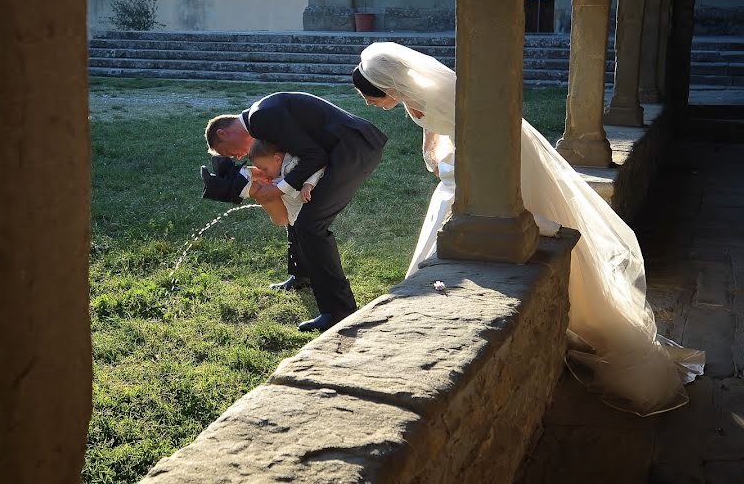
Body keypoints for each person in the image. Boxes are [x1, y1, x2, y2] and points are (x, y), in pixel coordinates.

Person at [351, 42, 704, 417]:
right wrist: (433, 154)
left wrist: (450, 171)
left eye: (370, 98)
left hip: (497, 164)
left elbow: (479, 137)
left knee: (457, 213)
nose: (369, 104)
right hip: (469, 159)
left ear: (389, 88)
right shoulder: (415, 92)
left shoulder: (443, 94)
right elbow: (436, 127)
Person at [205, 92, 387, 332]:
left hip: (354, 148)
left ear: (223, 133)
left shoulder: (260, 118)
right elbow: (302, 153)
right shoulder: (259, 117)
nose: (238, 157)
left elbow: (314, 156)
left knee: (310, 225)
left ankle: (339, 310)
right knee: (300, 218)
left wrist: (279, 189)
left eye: (230, 153)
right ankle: (303, 274)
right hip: (347, 146)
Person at [246, 139, 324, 227]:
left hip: (294, 213)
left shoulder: (291, 164)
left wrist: (308, 184)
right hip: (289, 209)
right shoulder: (278, 169)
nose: (264, 173)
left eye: (265, 169)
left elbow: (316, 167)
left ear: (277, 159)